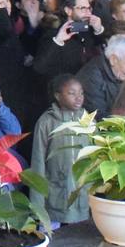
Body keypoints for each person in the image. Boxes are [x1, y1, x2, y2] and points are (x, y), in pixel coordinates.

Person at [29, 75, 90, 225]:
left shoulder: (87, 121)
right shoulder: (46, 122)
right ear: (57, 96)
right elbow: (38, 164)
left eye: (81, 93)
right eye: (71, 93)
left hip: (83, 200)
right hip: (55, 198)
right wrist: (38, 208)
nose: (78, 98)